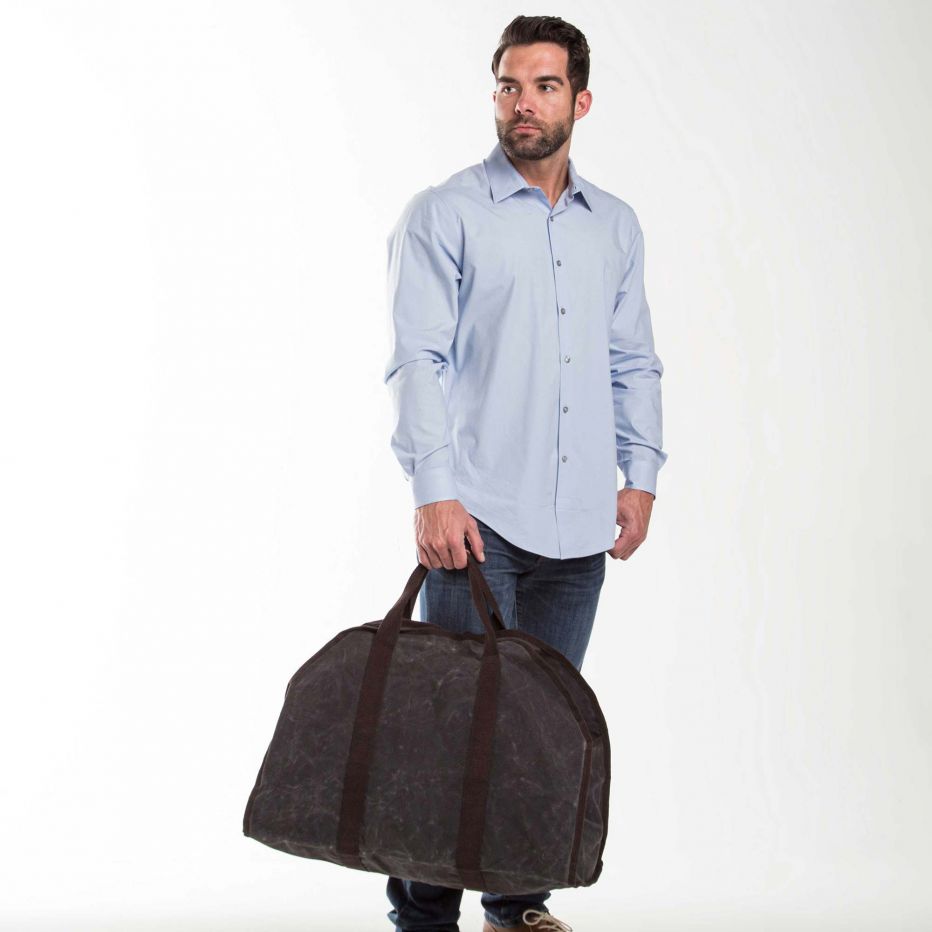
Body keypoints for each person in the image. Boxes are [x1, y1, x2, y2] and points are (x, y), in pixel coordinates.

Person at [381, 14, 668, 932]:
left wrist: (640, 473)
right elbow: (416, 359)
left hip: (578, 529)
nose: (524, 104)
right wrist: (434, 492)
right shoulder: (447, 213)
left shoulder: (614, 226)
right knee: (453, 736)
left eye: (545, 86)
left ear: (581, 101)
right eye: (509, 86)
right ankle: (424, 919)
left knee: (540, 737)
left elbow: (633, 361)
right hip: (478, 521)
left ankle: (516, 907)